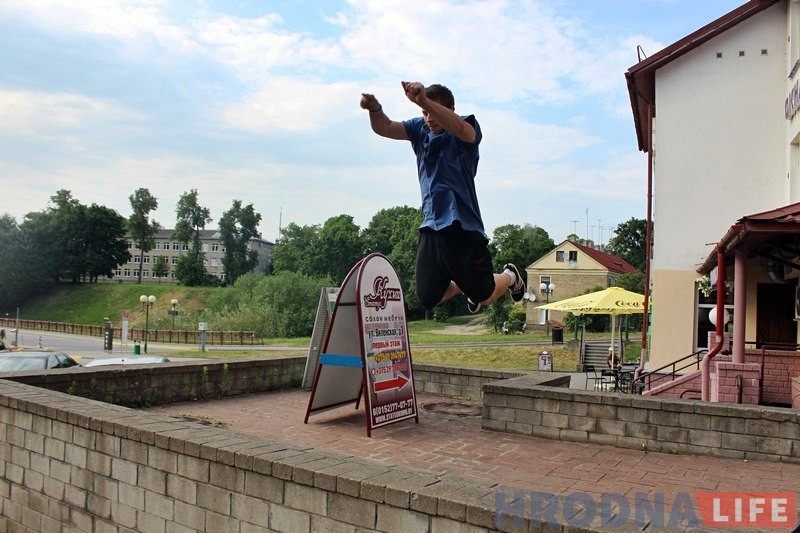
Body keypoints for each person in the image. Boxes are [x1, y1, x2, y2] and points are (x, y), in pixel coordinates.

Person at [360, 81, 525, 313]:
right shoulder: (420, 130)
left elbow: (461, 130)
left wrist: (424, 100)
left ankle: (509, 277)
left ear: (451, 109)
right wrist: (374, 109)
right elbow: (385, 127)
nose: (429, 118)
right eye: (424, 112)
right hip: (431, 226)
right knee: (428, 298)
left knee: (485, 295)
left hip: (463, 227)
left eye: (434, 111)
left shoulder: (466, 126)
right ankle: (462, 284)